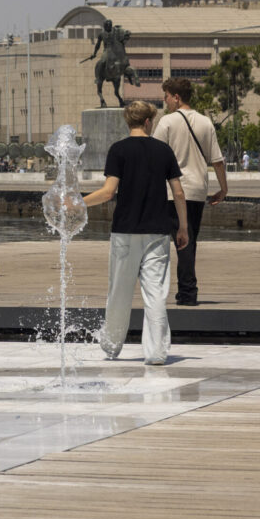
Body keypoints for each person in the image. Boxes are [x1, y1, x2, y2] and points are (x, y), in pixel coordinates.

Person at [83, 101, 189, 365]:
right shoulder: (163, 150)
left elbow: (108, 192)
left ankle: (111, 346)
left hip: (124, 232)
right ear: (148, 122)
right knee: (155, 293)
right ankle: (156, 353)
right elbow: (178, 192)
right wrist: (183, 227)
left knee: (119, 290)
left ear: (128, 121)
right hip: (157, 232)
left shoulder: (118, 150)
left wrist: (77, 202)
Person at [152, 77, 229, 306]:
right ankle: (187, 291)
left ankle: (184, 292)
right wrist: (223, 189)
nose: (164, 101)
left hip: (170, 191)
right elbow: (217, 161)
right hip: (197, 191)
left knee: (168, 242)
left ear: (176, 97)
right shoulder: (206, 123)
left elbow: (155, 156)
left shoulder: (166, 122)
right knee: (189, 242)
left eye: (166, 96)